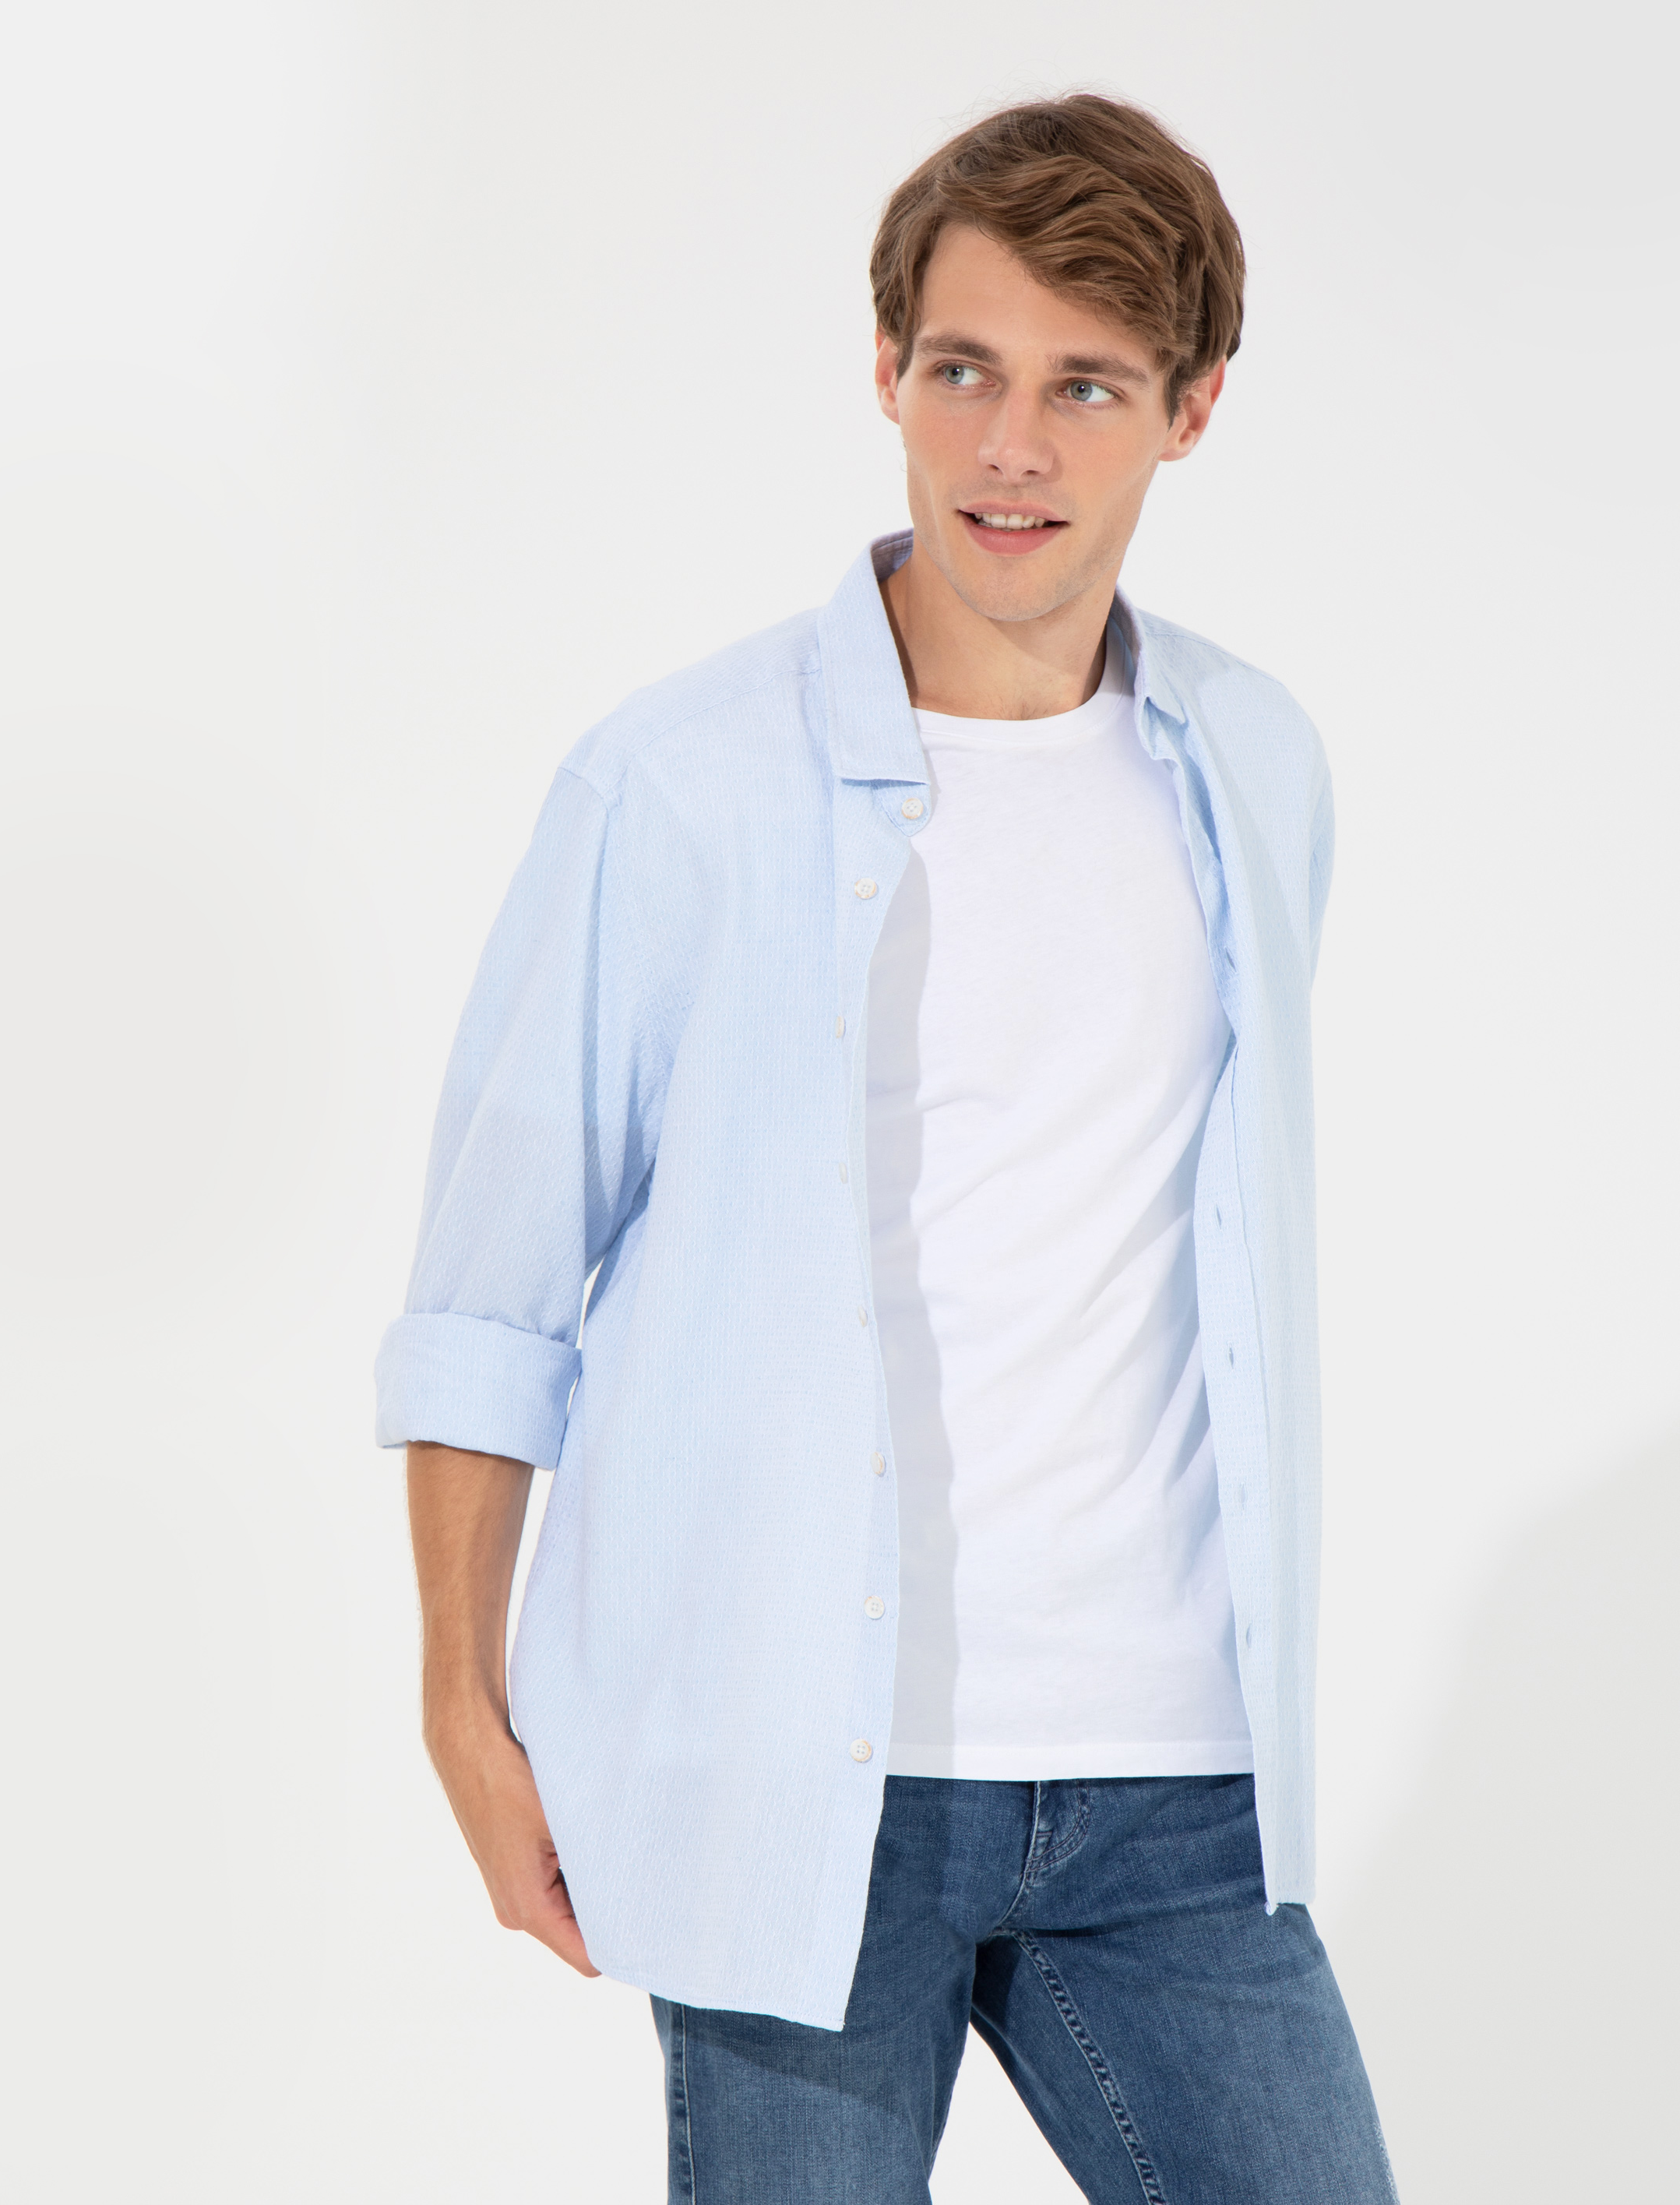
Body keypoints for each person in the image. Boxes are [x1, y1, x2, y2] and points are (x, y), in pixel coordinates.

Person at [376, 93, 1397, 2204]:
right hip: (797, 1780)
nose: (1008, 447)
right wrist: (462, 1709)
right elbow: (495, 1286)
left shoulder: (1253, 763)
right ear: (884, 372)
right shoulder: (677, 787)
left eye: (1084, 386)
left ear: (1192, 408)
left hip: (1176, 1778)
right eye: (962, 370)